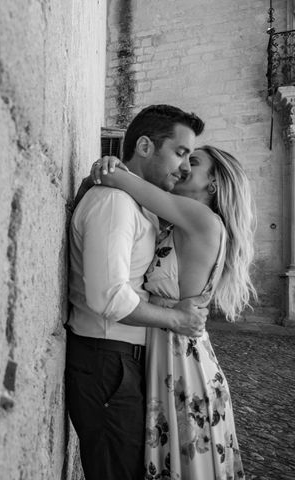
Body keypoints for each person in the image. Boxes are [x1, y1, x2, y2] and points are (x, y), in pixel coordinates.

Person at [90, 145, 255, 479]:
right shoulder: (185, 222)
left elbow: (120, 180)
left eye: (192, 162)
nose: (182, 166)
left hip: (181, 360)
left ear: (213, 185)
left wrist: (108, 164)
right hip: (178, 350)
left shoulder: (201, 218)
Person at [65, 104, 208, 480]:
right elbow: (109, 297)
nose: (186, 167)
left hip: (121, 362)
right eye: (180, 152)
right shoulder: (115, 203)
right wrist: (178, 319)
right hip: (106, 360)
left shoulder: (134, 202)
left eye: (191, 157)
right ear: (145, 146)